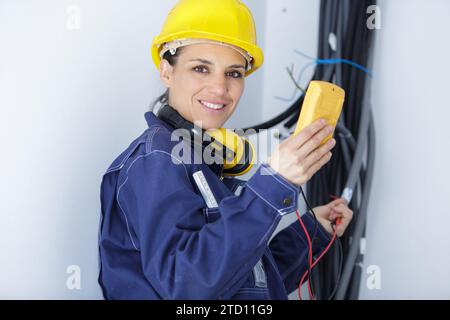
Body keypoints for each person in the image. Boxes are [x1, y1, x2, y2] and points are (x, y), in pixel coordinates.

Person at [98, 0, 353, 300]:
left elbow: (242, 284)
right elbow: (188, 287)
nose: (220, 88)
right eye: (200, 68)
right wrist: (273, 185)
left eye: (233, 73)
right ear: (166, 71)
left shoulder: (206, 162)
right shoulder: (158, 160)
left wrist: (311, 233)